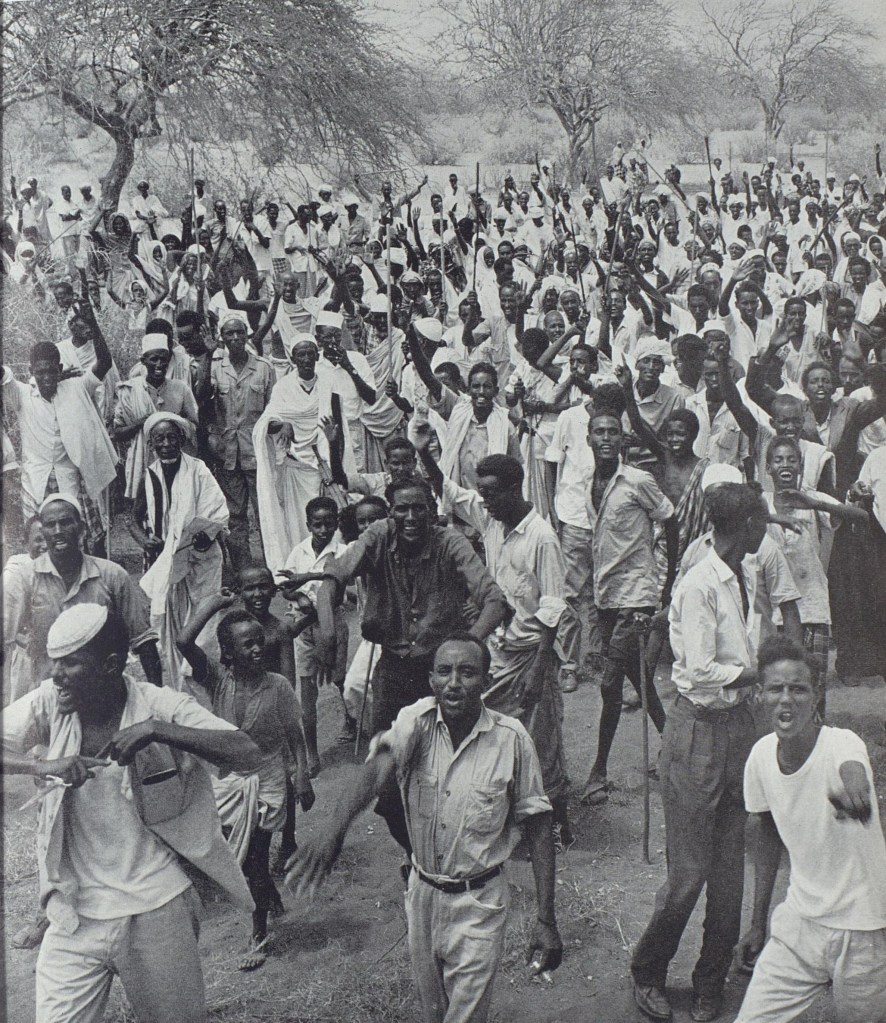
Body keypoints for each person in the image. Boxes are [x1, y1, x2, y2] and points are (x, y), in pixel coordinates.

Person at [1, 604, 262, 1023]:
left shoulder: (158, 706)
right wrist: (40, 765)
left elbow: (247, 752)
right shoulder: (51, 703)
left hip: (156, 908)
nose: (55, 674)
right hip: (75, 915)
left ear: (110, 665)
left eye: (70, 663)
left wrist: (156, 730)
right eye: (53, 661)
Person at [287, 634, 562, 1023]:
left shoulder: (512, 740)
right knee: (433, 1011)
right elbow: (376, 770)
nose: (454, 682)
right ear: (431, 679)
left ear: (486, 681)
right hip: (423, 897)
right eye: (444, 671)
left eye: (467, 672)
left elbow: (538, 826)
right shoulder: (415, 722)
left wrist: (547, 920)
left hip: (479, 902)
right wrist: (334, 829)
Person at [631, 483, 770, 1023]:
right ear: (746, 525)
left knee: (731, 869)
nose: (766, 529)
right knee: (689, 873)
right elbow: (696, 674)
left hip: (738, 729)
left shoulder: (741, 576)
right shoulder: (698, 584)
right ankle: (647, 971)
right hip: (697, 733)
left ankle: (711, 978)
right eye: (762, 521)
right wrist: (761, 673)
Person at [314, 476, 508, 855]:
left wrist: (464, 648)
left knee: (453, 774)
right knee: (385, 789)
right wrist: (327, 632)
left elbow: (494, 601)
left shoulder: (449, 541)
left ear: (432, 510)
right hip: (393, 670)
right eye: (401, 508)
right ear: (390, 512)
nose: (410, 516)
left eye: (419, 507)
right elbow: (333, 578)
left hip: (440, 673)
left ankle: (454, 857)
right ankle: (418, 856)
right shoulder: (377, 535)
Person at [416, 440, 573, 844]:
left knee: (542, 737)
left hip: (531, 653)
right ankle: (508, 812)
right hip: (500, 651)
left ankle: (557, 823)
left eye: (490, 492)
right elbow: (450, 491)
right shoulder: (492, 522)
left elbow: (553, 608)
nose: (483, 501)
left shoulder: (541, 538)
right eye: (482, 492)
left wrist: (540, 669)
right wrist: (425, 452)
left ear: (513, 488)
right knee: (496, 730)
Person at [733, 635, 886, 1023]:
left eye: (798, 689)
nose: (787, 699)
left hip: (864, 930)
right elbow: (765, 831)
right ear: (759, 696)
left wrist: (855, 788)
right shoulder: (759, 758)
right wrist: (757, 924)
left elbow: (852, 767)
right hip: (800, 923)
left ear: (816, 696)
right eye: (776, 689)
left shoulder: (842, 744)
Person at [178, 594, 314, 970]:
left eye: (259, 641)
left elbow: (294, 734)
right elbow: (183, 641)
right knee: (239, 859)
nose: (257, 649)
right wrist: (214, 603)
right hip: (227, 782)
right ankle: (269, 894)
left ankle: (258, 932)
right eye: (247, 644)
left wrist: (302, 775)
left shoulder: (278, 686)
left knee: (255, 856)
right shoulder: (218, 680)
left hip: (268, 781)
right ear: (228, 652)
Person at [580, 409, 679, 806]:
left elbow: (669, 520)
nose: (606, 438)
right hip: (607, 595)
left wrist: (667, 580)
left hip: (636, 598)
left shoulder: (637, 480)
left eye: (612, 432)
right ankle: (675, 745)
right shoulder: (589, 483)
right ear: (588, 438)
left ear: (622, 440)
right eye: (598, 432)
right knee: (640, 681)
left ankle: (598, 770)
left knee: (610, 685)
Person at [4, 495, 163, 690]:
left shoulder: (112, 576)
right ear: (43, 531)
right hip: (50, 696)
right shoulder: (25, 579)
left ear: (81, 529)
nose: (58, 531)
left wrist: (157, 695)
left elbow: (144, 641)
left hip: (103, 700)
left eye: (65, 522)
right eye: (50, 525)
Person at [2, 302, 118, 556]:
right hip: (35, 481)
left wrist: (94, 326)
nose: (46, 378)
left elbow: (105, 362)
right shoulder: (22, 394)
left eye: (51, 372)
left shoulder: (76, 387)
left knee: (79, 543)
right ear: (31, 372)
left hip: (71, 479)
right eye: (40, 373)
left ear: (60, 370)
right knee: (40, 542)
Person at [131, 412, 229, 687]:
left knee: (204, 619)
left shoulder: (198, 470)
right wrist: (143, 540)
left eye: (171, 437)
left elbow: (217, 512)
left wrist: (205, 536)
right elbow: (133, 518)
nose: (166, 444)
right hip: (165, 562)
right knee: (167, 621)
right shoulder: (149, 475)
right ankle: (177, 687)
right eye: (159, 439)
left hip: (201, 558)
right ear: (151, 444)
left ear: (181, 440)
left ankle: (203, 678)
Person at [278, 496, 352, 776]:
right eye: (317, 524)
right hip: (303, 626)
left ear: (336, 524)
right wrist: (297, 594)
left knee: (340, 679)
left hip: (331, 623)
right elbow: (285, 586)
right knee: (306, 688)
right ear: (309, 525)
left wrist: (307, 582)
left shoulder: (342, 551)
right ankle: (311, 753)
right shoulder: (298, 551)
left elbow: (339, 581)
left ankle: (352, 716)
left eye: (329, 524)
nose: (323, 530)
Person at [206, 315, 276, 573]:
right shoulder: (214, 368)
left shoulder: (264, 368)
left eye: (239, 333)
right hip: (227, 451)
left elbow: (273, 409)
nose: (235, 338)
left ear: (247, 335)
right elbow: (208, 409)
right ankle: (243, 568)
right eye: (229, 334)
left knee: (264, 511)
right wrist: (214, 438)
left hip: (256, 449)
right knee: (235, 514)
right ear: (221, 338)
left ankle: (273, 564)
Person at [113, 332, 200, 500]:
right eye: (154, 359)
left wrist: (173, 425)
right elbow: (117, 433)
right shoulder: (130, 390)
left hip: (174, 458)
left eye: (164, 359)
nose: (159, 364)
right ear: (143, 360)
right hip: (142, 462)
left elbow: (193, 426)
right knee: (145, 510)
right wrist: (141, 423)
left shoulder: (180, 389)